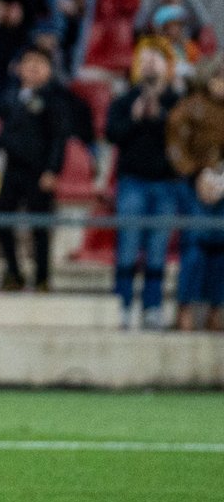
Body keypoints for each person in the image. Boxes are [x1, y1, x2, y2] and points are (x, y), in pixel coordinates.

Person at [106, 45, 184, 330]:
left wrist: (160, 117)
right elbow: (112, 134)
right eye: (145, 60)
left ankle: (152, 306)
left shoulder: (177, 102)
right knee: (127, 245)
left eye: (156, 60)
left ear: (168, 66)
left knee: (157, 249)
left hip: (166, 184)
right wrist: (135, 118)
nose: (150, 65)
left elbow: (183, 137)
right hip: (132, 182)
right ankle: (123, 304)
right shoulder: (124, 100)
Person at [0, 45, 70, 292]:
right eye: (28, 62)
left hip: (39, 171)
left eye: (40, 63)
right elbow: (6, 131)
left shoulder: (54, 99)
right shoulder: (12, 97)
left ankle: (42, 276)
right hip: (13, 170)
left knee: (40, 226)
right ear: (19, 68)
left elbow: (58, 138)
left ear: (49, 69)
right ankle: (13, 271)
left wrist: (52, 170)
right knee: (2, 218)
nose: (33, 67)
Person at [166, 57, 224, 331]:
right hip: (193, 186)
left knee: (221, 248)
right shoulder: (189, 107)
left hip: (222, 184)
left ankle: (216, 308)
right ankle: (185, 307)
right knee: (194, 246)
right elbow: (176, 146)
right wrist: (196, 175)